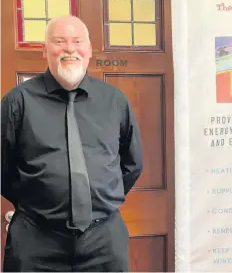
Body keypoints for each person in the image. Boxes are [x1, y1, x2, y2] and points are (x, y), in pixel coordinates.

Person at [1, 15, 143, 271]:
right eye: (59, 41)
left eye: (77, 41)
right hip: (36, 240)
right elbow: (2, 169)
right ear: (44, 50)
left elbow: (132, 164)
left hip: (103, 241)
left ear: (88, 50)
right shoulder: (17, 102)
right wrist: (41, 201)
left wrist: (101, 198)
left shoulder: (114, 101)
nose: (69, 49)